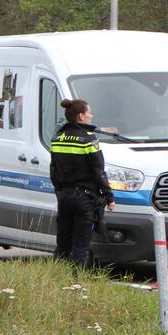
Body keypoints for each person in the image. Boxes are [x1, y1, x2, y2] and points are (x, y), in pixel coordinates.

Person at [49, 98, 115, 268]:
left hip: (64, 197)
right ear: (80, 116)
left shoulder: (58, 138)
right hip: (84, 199)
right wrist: (109, 197)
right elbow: (98, 171)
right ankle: (75, 283)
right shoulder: (88, 140)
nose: (91, 116)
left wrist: (60, 192)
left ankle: (58, 278)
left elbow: (54, 170)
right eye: (89, 113)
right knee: (80, 245)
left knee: (63, 243)